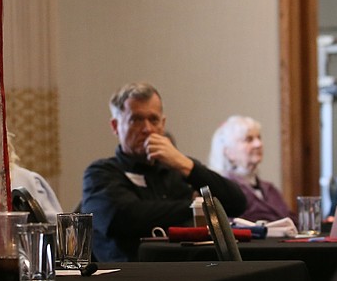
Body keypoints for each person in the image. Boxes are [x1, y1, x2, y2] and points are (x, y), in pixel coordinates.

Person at [81, 82, 246, 262]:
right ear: (115, 126)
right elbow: (124, 217)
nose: (147, 129)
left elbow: (236, 203)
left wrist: (187, 165)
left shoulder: (178, 169)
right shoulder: (100, 173)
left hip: (186, 272)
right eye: (136, 119)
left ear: (163, 123)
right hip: (131, 276)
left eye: (153, 119)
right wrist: (195, 206)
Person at [207, 115, 294, 223]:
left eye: (259, 138)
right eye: (248, 139)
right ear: (228, 152)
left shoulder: (270, 189)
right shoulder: (225, 191)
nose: (258, 144)